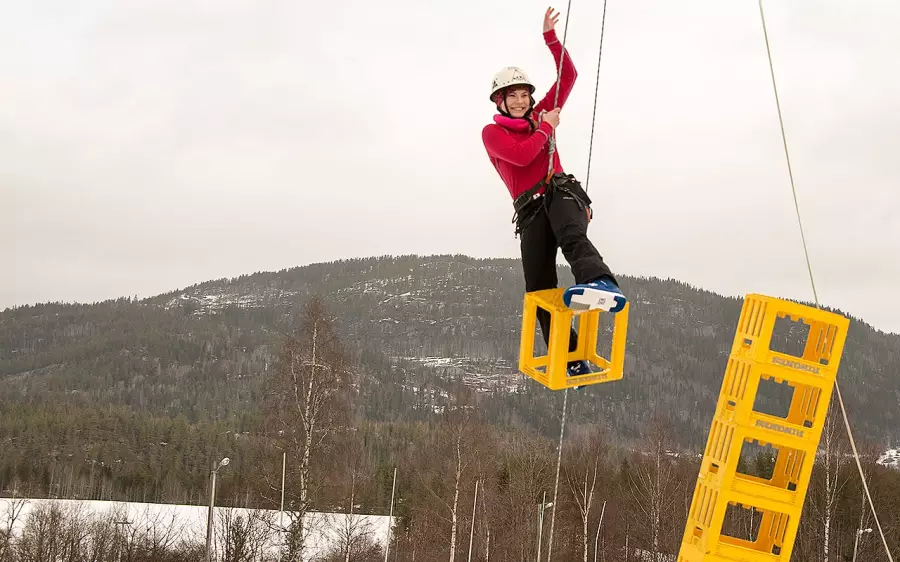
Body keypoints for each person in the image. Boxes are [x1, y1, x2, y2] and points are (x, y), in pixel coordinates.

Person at [482, 7, 627, 379]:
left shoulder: (541, 114)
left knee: (570, 233)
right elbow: (521, 155)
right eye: (511, 96)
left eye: (523, 95)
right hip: (530, 209)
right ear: (499, 101)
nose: (519, 101)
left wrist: (550, 38)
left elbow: (569, 76)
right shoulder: (493, 133)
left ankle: (599, 281)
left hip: (559, 191)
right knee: (538, 287)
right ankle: (569, 356)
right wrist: (546, 126)